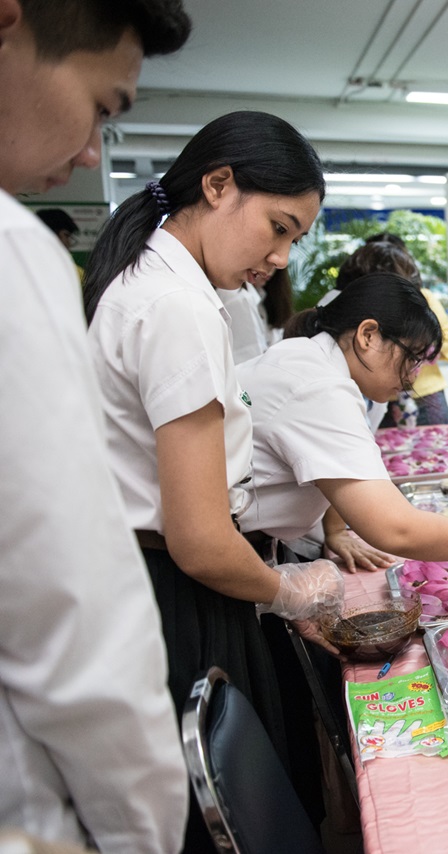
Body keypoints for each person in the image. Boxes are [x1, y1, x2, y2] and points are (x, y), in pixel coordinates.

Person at [82, 110, 344, 853]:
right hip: (183, 593)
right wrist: (288, 590)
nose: (282, 257)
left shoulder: (158, 282)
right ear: (218, 185)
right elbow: (198, 538)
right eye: (279, 227)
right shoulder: (177, 306)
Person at [0, 2, 191, 852]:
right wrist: (145, 830)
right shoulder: (14, 254)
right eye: (103, 107)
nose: (89, 154)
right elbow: (69, 612)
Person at [236, 271, 448, 572]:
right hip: (231, 548)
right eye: (413, 357)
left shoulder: (309, 359)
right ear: (368, 335)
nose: (414, 376)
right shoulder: (319, 387)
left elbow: (340, 469)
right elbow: (395, 529)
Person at [354, 237, 448, 427]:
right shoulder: (363, 305)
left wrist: (412, 353)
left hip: (423, 396)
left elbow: (447, 340)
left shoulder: (422, 298)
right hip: (379, 398)